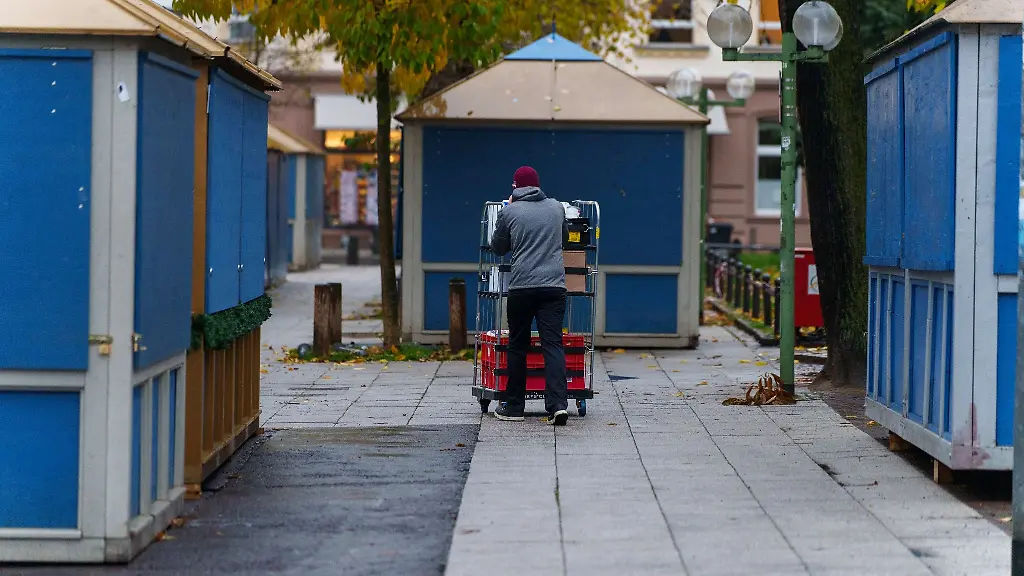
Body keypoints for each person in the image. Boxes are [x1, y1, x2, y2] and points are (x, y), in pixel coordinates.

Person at [489, 166, 570, 425]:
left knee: (517, 345)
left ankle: (514, 407)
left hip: (522, 288)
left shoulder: (509, 211)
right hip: (554, 288)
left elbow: (498, 248)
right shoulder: (557, 208)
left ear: (516, 188)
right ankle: (557, 405)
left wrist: (509, 212)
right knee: (553, 345)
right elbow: (565, 239)